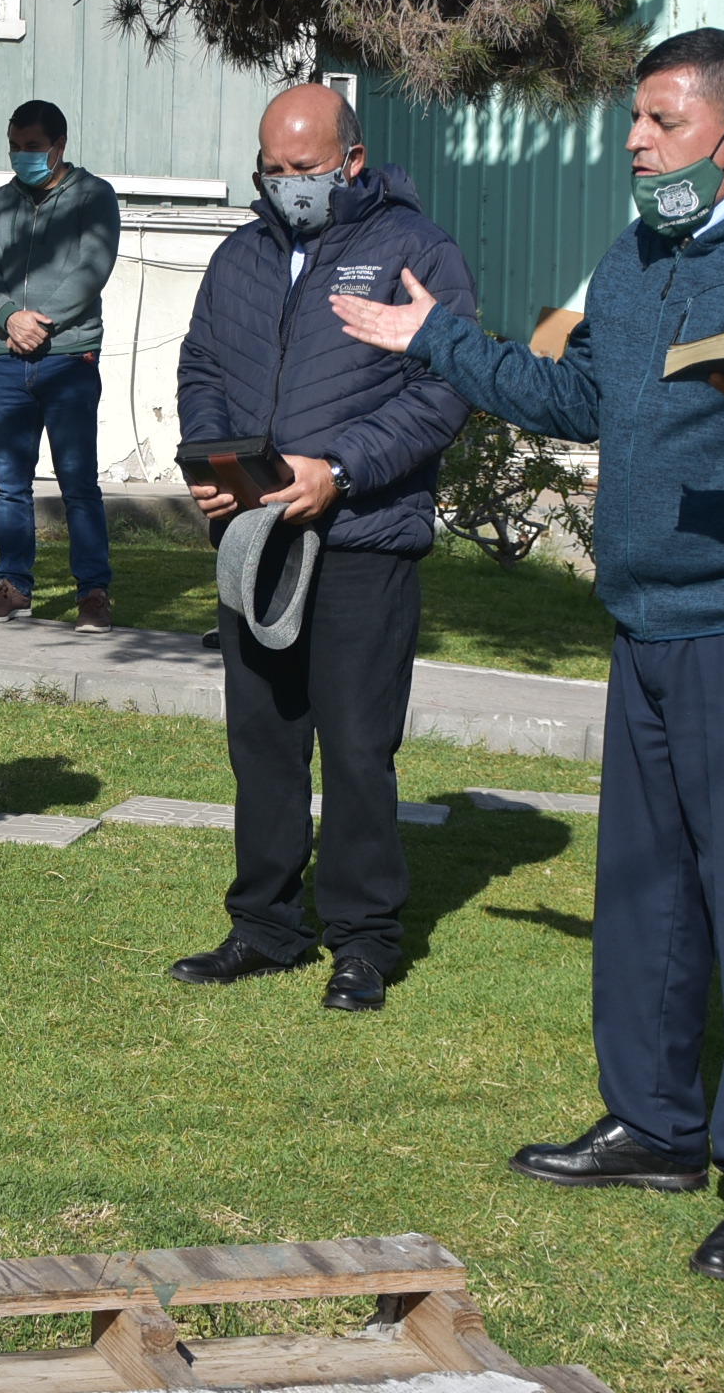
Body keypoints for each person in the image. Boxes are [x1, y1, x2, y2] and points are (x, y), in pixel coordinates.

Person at [332, 28, 724, 1278]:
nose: (635, 143)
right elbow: (577, 398)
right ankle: (654, 1123)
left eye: (660, 123)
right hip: (648, 624)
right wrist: (437, 340)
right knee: (643, 895)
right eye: (634, 122)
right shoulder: (640, 252)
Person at [167, 83, 475, 1013]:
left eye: (305, 169)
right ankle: (263, 923)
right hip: (257, 532)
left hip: (362, 539)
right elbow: (202, 366)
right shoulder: (242, 254)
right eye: (273, 169)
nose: (288, 185)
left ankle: (363, 940)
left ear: (351, 159)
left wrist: (339, 468)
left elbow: (442, 390)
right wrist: (213, 461)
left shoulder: (415, 251)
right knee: (261, 740)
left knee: (353, 746)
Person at [0, 99, 122, 632]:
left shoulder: (94, 195)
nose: (21, 155)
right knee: (10, 482)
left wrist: (42, 322)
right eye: (14, 145)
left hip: (69, 357)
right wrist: (9, 318)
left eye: (32, 147)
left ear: (59, 146)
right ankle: (13, 586)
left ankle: (93, 594)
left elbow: (91, 269)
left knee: (78, 480)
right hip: (8, 359)